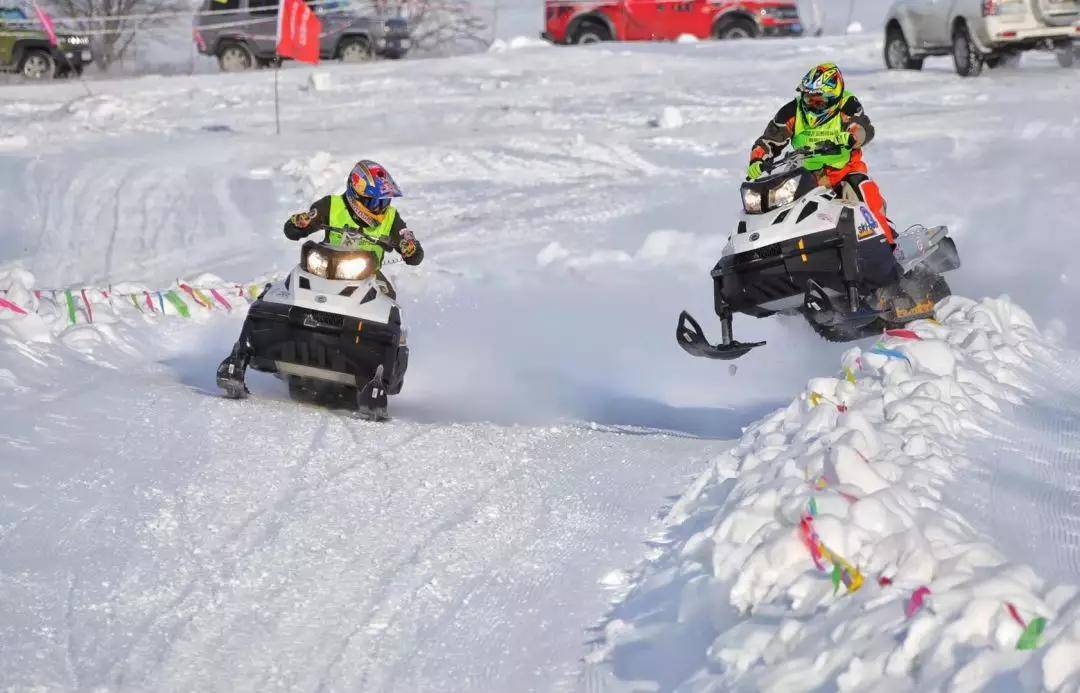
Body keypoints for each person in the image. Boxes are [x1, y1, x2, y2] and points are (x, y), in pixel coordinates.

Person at [216, 160, 423, 397]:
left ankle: (383, 371)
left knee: (390, 303)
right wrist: (300, 222)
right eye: (376, 201)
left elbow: (412, 248)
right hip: (323, 266)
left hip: (366, 274)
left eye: (384, 201)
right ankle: (241, 354)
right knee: (277, 290)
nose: (381, 207)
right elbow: (295, 229)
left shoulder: (391, 218)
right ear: (358, 195)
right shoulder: (332, 205)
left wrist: (409, 247)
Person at [746, 62, 894, 244]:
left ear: (834, 97)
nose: (813, 105)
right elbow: (770, 139)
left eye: (819, 101)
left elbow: (863, 128)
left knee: (862, 191)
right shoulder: (792, 111)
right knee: (775, 202)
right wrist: (758, 159)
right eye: (809, 99)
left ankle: (889, 247)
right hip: (805, 176)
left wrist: (851, 137)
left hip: (844, 173)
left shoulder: (847, 105)